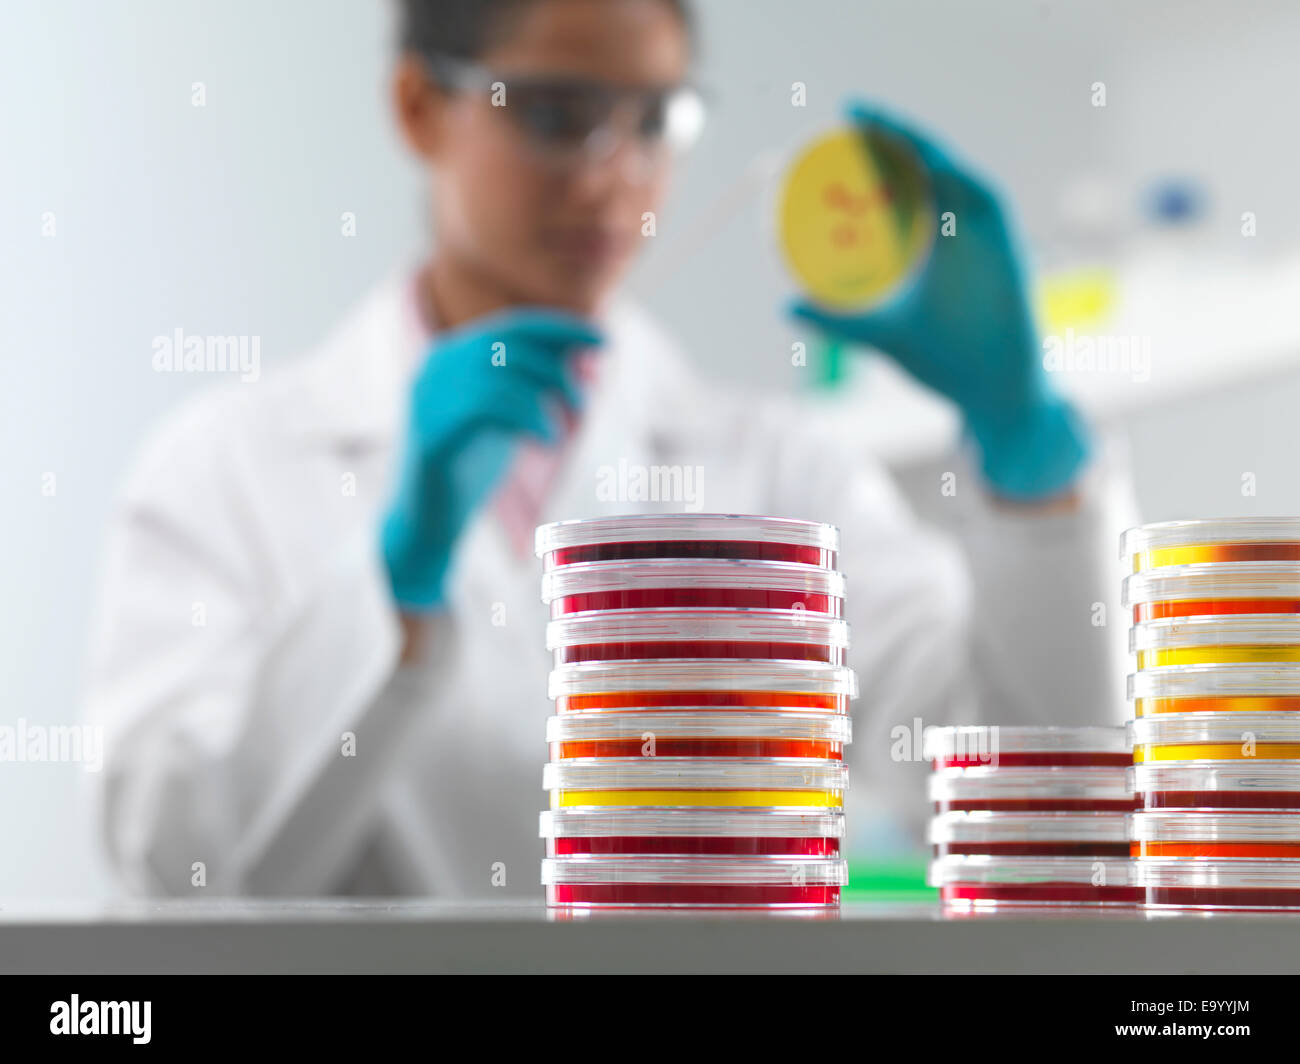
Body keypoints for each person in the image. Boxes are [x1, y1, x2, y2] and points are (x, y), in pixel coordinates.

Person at [85, 0, 1135, 896]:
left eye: (655, 121)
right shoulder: (228, 468)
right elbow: (168, 868)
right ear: (418, 106)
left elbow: (1036, 812)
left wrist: (1023, 440)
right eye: (554, 115)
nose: (612, 179)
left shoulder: (777, 469)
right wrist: (393, 581)